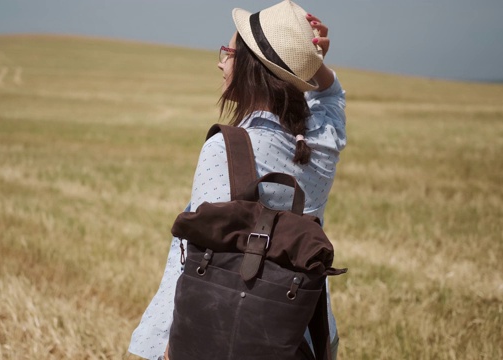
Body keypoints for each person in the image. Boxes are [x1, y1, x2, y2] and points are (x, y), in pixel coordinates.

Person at [129, 1, 346, 359]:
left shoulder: (227, 147)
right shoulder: (324, 141)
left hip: (221, 331)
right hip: (299, 329)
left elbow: (203, 257)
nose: (221, 60)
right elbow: (332, 93)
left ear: (251, 66)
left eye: (229, 51)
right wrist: (308, 60)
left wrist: (172, 346)